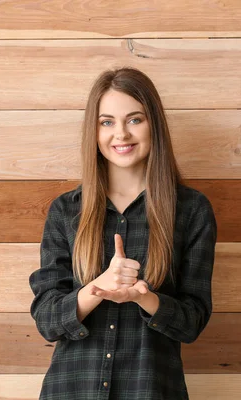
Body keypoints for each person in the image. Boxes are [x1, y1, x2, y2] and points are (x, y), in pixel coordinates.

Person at [29, 67, 217, 400]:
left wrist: (142, 296)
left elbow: (192, 322)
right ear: (95, 130)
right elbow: (47, 319)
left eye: (134, 120)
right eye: (107, 122)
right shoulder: (65, 211)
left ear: (153, 125)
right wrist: (98, 287)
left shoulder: (191, 210)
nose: (121, 134)